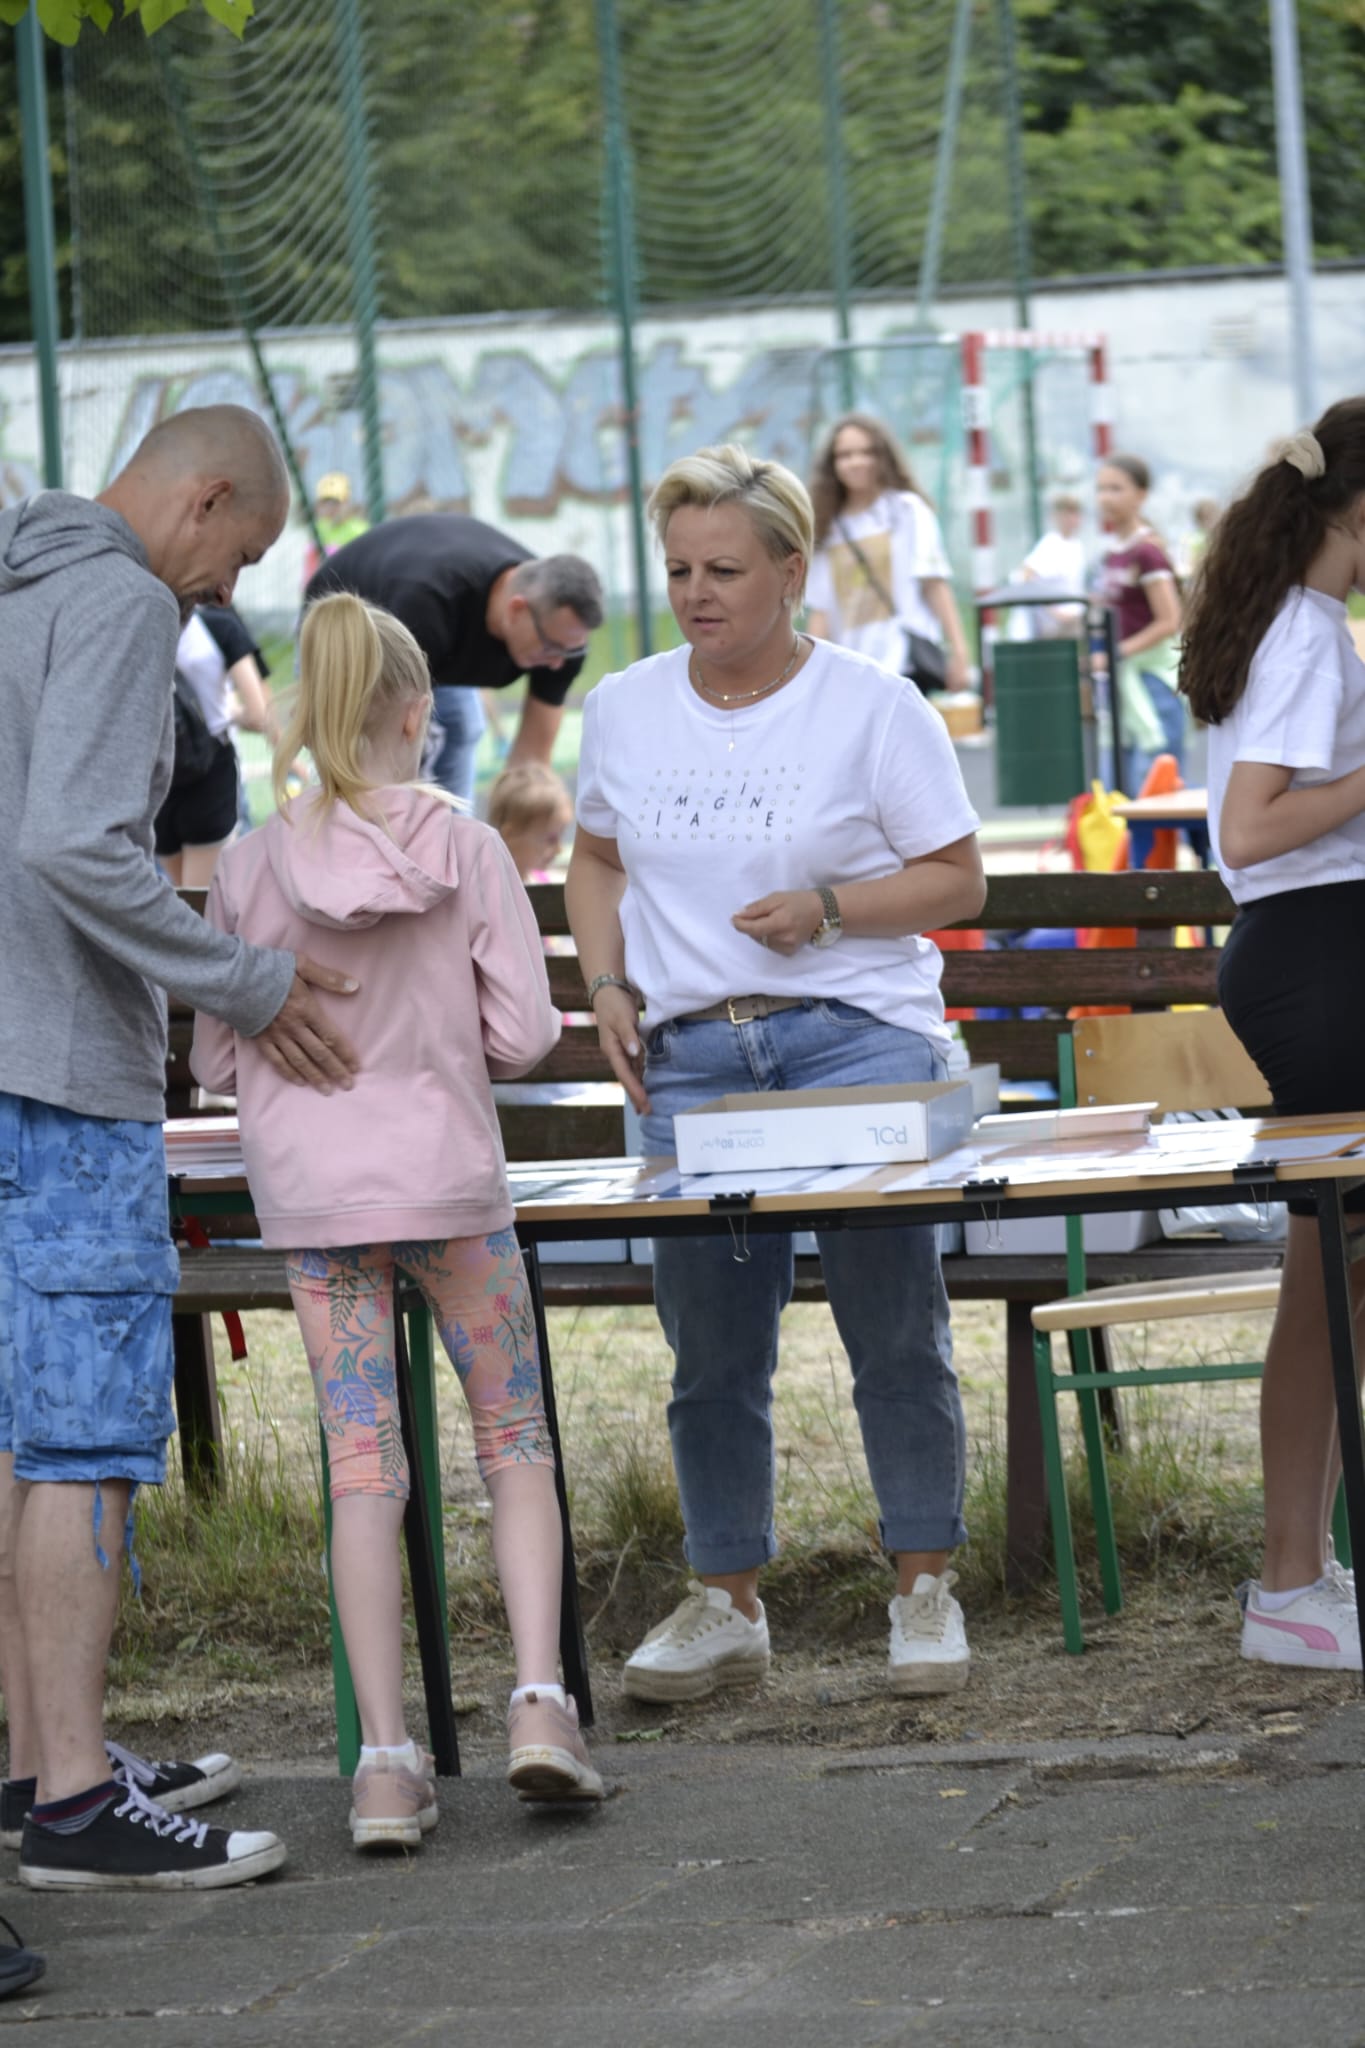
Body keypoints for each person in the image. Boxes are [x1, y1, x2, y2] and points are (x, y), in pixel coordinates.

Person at [0, 403, 364, 1894]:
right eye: (244, 554)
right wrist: (246, 980)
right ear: (204, 497)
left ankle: (40, 1760)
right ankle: (77, 1805)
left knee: (16, 1438)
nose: (227, 588)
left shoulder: (18, 577)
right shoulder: (117, 596)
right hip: (57, 1076)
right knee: (85, 1441)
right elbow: (76, 843)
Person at [566, 443, 986, 1702]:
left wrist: (830, 907)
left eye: (726, 570)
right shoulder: (626, 704)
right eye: (679, 570)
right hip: (693, 1056)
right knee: (710, 1346)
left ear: (792, 571)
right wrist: (606, 984)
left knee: (894, 1324)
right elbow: (596, 858)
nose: (697, 593)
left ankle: (923, 1588)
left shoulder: (874, 704)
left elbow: (959, 878)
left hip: (859, 1036)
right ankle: (728, 1599)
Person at [192, 592, 603, 1846]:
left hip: (318, 1206)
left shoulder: (248, 866)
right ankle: (541, 1703)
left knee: (363, 1466)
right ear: (420, 711)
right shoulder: (467, 847)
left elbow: (215, 1056)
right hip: (453, 1192)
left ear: (305, 711)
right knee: (513, 1440)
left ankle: (381, 1763)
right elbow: (523, 1035)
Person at [1183, 399, 1365, 1675]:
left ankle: (1303, 1571)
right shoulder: (1307, 631)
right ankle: (1291, 1579)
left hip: (1315, 954)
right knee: (1331, 1276)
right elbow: (1249, 830)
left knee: (1339, 1278)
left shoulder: (1292, 620)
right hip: (1318, 959)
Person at [305, 513, 605, 806]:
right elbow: (382, 742)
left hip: (438, 643)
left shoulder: (563, 637)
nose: (557, 663)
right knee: (371, 764)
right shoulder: (426, 606)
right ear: (516, 610)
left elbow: (530, 765)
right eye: (551, 647)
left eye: (570, 651)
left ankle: (454, 827)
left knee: (462, 726)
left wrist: (517, 829)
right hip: (348, 625)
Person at [805, 412, 971, 693]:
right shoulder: (825, 527)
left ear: (883, 457)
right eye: (845, 455)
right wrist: (810, 674)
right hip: (853, 671)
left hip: (903, 664)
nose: (856, 462)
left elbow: (934, 584)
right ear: (832, 464)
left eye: (866, 452)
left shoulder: (906, 510)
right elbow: (822, 610)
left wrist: (959, 652)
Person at [155, 603, 280, 883]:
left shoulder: (139, 627)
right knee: (203, 898)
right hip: (211, 773)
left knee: (174, 892)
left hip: (157, 777)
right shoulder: (218, 626)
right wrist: (228, 712)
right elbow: (259, 715)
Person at [1093, 453, 1185, 793]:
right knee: (1118, 788)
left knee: (1155, 788)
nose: (1106, 498)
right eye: (1101, 489)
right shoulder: (1111, 553)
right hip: (1122, 683)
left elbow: (1169, 619)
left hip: (1151, 681)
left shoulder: (1147, 552)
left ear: (1141, 495)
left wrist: (1116, 652)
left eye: (1116, 489)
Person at [1007, 490, 1087, 639]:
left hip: (1074, 620)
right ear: (1057, 516)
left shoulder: (1077, 546)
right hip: (1054, 628)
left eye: (1075, 513)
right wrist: (1055, 613)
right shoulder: (1051, 544)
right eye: (1067, 513)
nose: (1072, 519)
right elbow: (1027, 577)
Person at [487, 760, 574, 884]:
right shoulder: (490, 886)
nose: (559, 849)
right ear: (509, 835)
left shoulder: (542, 881)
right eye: (551, 839)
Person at [300, 470, 368, 588]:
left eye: (336, 502)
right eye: (325, 502)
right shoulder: (319, 527)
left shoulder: (359, 530)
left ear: (347, 503)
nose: (330, 508)